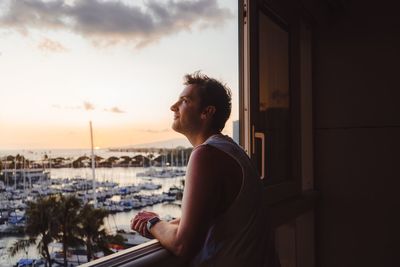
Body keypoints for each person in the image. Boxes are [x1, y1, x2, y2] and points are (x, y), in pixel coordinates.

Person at [131, 72, 279, 266]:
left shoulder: (206, 155)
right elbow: (203, 218)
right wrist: (168, 223)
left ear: (206, 112)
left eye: (184, 101)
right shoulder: (232, 151)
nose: (173, 107)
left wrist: (152, 223)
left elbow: (182, 244)